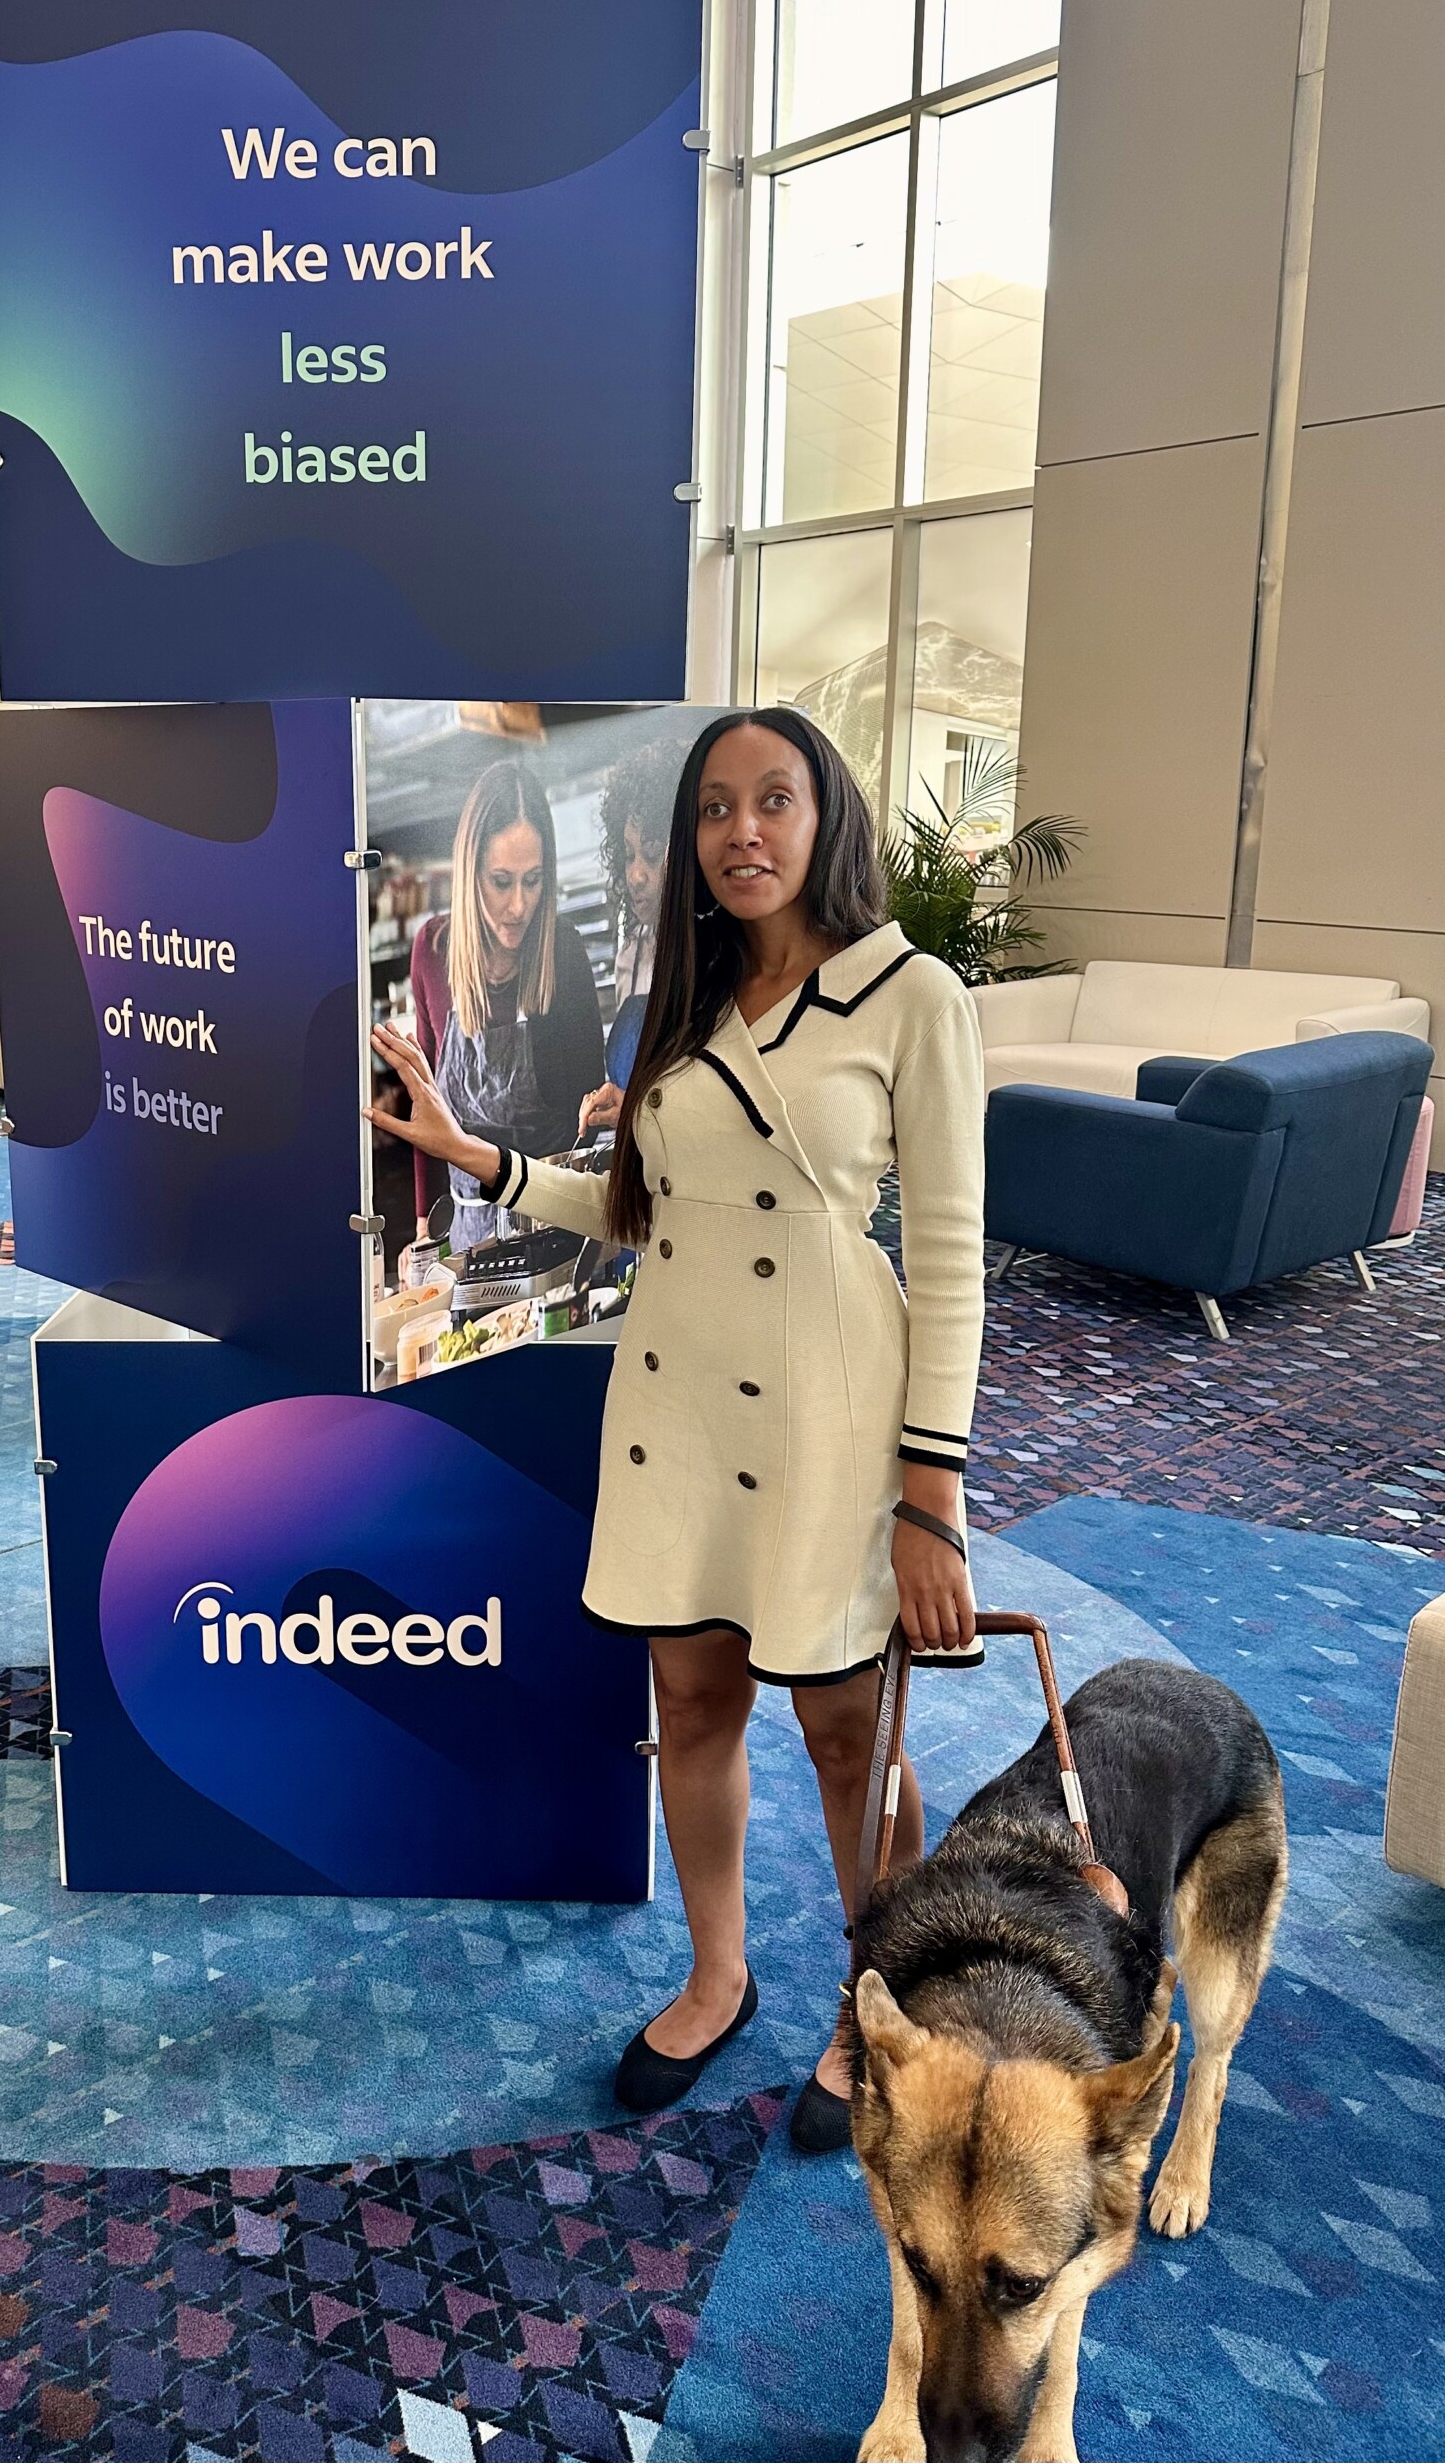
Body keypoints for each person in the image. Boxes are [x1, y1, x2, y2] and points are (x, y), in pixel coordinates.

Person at [369, 707, 985, 2154]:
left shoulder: (911, 994)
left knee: (848, 1732)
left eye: (775, 800)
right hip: (676, 1403)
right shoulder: (684, 998)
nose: (744, 831)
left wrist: (929, 1492)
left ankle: (879, 2001)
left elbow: (952, 1260)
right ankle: (718, 1974)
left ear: (825, 818)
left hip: (833, 1407)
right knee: (692, 1707)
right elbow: (639, 1211)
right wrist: (479, 1157)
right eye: (716, 808)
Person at [407, 759, 604, 1248]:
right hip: (467, 1236)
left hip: (556, 1228)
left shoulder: (564, 955)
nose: (519, 905)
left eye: (533, 881)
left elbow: (591, 1119)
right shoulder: (432, 954)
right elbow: (426, 1107)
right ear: (470, 873)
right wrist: (423, 1227)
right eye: (501, 881)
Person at [579, 738, 680, 1138]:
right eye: (627, 854)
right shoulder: (632, 954)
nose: (635, 875)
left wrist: (640, 1113)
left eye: (652, 856)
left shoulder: (723, 959)